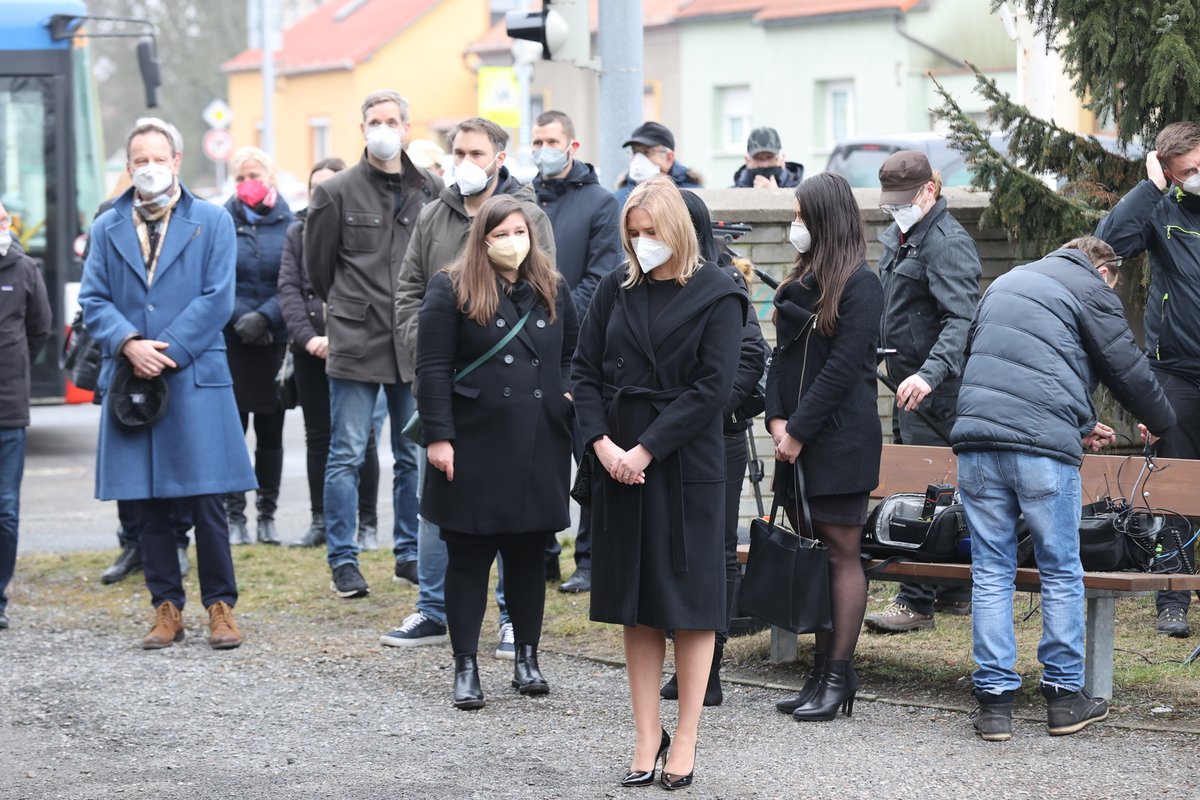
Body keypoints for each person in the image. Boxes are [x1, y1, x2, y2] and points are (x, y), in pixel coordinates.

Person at [952, 235, 1176, 741]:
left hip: (977, 444)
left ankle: (994, 706)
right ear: (1103, 271)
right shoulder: (1088, 287)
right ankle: (1064, 698)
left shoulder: (1007, 282)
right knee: (1059, 569)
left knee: (990, 570)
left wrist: (1076, 423)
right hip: (1038, 456)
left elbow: (1008, 371)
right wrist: (1162, 420)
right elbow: (1125, 367)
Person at [572, 175, 745, 790]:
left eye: (652, 232)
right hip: (617, 458)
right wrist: (601, 444)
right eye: (634, 234)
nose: (643, 243)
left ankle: (688, 736)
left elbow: (713, 388)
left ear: (678, 230)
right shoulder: (615, 291)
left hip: (683, 465)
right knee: (637, 606)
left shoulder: (719, 293)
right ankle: (647, 733)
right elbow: (584, 371)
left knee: (692, 608)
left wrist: (645, 449)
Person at [79, 117, 255, 649]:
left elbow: (217, 298)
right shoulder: (108, 227)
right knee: (147, 500)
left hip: (195, 376)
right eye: (140, 160)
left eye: (158, 158)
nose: (149, 168)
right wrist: (129, 342)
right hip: (134, 382)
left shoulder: (211, 221)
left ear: (177, 161)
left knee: (207, 501)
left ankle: (220, 607)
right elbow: (93, 301)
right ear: (129, 166)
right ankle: (166, 607)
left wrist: (169, 351)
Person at [390, 116, 556, 651]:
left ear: (499, 158)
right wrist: (435, 347)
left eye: (476, 152)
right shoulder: (433, 214)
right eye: (458, 151)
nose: (465, 161)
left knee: (519, 518)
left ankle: (512, 618)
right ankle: (431, 609)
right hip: (452, 390)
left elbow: (546, 294)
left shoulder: (528, 215)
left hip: (515, 396)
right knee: (442, 506)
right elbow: (410, 289)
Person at [417, 194, 578, 709]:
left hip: (537, 438)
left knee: (529, 555)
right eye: (501, 233)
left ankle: (526, 657)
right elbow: (432, 367)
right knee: (467, 557)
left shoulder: (552, 286)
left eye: (519, 232)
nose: (512, 242)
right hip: (472, 440)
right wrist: (439, 437)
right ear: (482, 240)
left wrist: (566, 395)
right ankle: (466, 664)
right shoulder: (451, 286)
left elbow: (574, 354)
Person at [306, 90, 443, 598]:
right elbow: (318, 270)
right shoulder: (335, 191)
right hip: (356, 340)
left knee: (412, 456)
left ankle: (407, 551)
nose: (383, 128)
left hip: (413, 341)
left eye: (392, 120)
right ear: (362, 128)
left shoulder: (430, 187)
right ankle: (343, 558)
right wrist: (349, 307)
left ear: (406, 128)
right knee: (346, 453)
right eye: (374, 121)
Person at [765, 174, 883, 722]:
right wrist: (775, 419)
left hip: (838, 442)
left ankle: (836, 676)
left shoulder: (862, 285)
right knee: (817, 554)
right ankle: (823, 673)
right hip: (797, 441)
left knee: (840, 553)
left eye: (800, 216)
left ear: (824, 220)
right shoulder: (798, 283)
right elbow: (779, 360)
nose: (794, 226)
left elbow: (841, 372)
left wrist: (798, 431)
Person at [659, 189, 768, 706]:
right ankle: (678, 654)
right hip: (657, 440)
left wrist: (704, 409)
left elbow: (750, 356)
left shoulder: (725, 280)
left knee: (716, 549)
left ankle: (709, 666)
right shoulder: (642, 280)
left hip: (715, 437)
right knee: (667, 546)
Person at [864, 150, 981, 634]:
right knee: (935, 488)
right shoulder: (902, 236)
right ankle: (950, 590)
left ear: (929, 190)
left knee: (927, 491)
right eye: (890, 204)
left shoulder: (948, 243)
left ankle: (917, 602)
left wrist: (930, 375)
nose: (896, 211)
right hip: (905, 383)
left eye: (903, 201)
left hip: (940, 389)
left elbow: (962, 320)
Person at [1094, 122, 1200, 638]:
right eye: (1188, 173)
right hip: (1176, 371)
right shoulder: (1160, 209)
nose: (1198, 177)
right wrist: (1150, 189)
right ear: (1168, 172)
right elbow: (1107, 247)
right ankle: (1173, 595)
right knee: (1176, 482)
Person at [529, 109, 623, 593]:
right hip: (529, 352)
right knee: (534, 454)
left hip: (580, 350)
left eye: (550, 140)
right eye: (536, 140)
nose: (542, 148)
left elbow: (600, 276)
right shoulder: (523, 200)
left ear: (572, 145)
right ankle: (541, 550)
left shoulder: (600, 203)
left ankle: (588, 559)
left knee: (587, 452)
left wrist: (554, 318)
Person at [277, 158, 383, 550]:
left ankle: (367, 524)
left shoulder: (362, 226)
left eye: (328, 186)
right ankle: (320, 520)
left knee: (362, 437)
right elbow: (288, 290)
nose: (321, 195)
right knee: (319, 437)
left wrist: (340, 338)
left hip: (356, 347)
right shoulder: (296, 231)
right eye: (314, 188)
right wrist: (308, 339)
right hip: (311, 351)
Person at [222, 146, 295, 546]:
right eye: (240, 177)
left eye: (255, 175)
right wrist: (239, 318)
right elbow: (213, 279)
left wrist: (266, 317)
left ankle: (267, 514)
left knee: (271, 434)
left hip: (274, 340)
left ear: (271, 177)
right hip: (231, 341)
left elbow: (293, 280)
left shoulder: (291, 224)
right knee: (233, 435)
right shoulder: (220, 221)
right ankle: (236, 516)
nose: (247, 183)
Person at [0, 198, 52, 630]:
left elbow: (39, 330)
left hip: (8, 408)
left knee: (5, 509)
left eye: (2, 219)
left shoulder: (24, 269)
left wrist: (14, 366)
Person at [612, 122, 702, 206]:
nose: (638, 159)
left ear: (669, 158)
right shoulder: (618, 200)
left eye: (647, 152)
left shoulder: (694, 197)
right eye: (635, 152)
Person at [731, 127, 804, 189]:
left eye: (770, 157)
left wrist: (777, 195)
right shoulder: (730, 195)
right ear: (747, 160)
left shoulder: (803, 193)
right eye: (758, 158)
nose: (764, 165)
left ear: (782, 158)